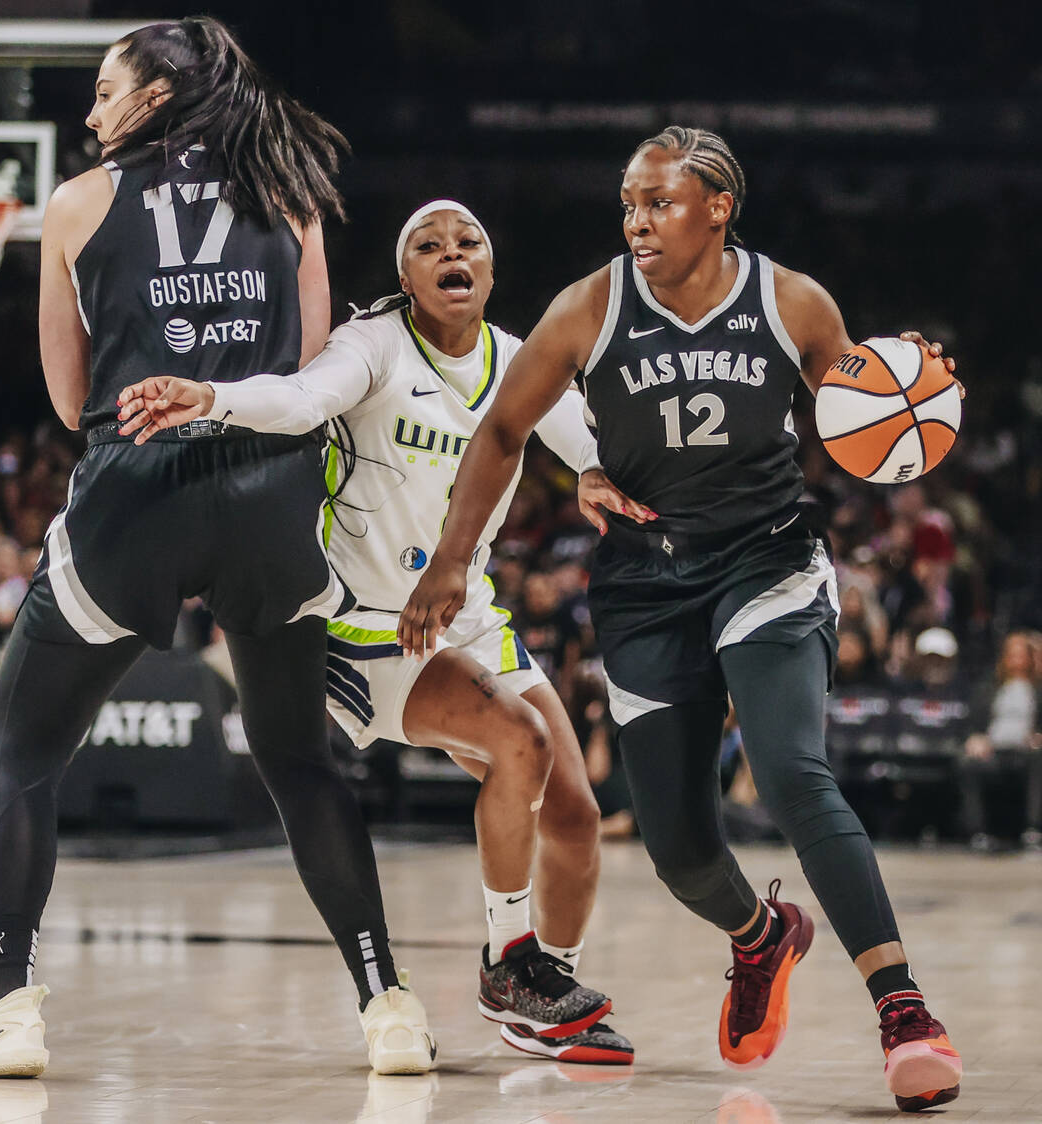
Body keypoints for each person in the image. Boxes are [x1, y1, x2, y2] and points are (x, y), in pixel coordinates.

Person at [0, 18, 434, 1080]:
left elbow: (71, 395)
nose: (89, 113)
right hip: (271, 501)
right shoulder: (291, 184)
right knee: (298, 760)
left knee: (24, 750)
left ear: (158, 95)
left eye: (103, 89)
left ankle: (0, 1003)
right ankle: (388, 1002)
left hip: (138, 496)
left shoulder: (79, 202)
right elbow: (308, 371)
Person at [397, 127, 964, 1112]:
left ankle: (904, 1007)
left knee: (792, 772)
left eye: (659, 201)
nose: (637, 219)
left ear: (716, 207)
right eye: (628, 203)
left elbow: (862, 420)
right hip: (645, 586)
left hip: (767, 563)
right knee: (679, 848)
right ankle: (760, 935)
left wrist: (911, 395)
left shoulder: (792, 302)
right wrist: (451, 559)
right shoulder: (589, 306)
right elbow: (501, 427)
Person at [117, 200, 638, 1064]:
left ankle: (541, 998)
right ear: (406, 278)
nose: (451, 253)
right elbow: (298, 398)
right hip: (371, 628)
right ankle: (510, 964)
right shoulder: (375, 345)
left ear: (491, 270)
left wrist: (598, 472)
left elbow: (592, 442)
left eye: (468, 241)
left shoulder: (517, 360)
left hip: (468, 619)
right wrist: (209, 397)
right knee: (521, 743)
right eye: (428, 246)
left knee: (577, 817)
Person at [959, 630, 1042, 851]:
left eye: (1021, 654)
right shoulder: (989, 688)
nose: (1015, 659)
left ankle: (1033, 830)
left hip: (1027, 752)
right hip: (994, 752)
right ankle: (977, 833)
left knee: (1038, 758)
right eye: (1011, 654)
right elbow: (973, 725)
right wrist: (976, 739)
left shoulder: (1038, 690)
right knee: (968, 763)